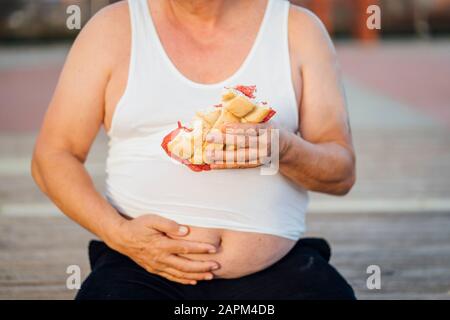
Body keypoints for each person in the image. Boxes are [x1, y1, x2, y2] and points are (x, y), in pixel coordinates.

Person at [31, 0, 356, 299]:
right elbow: (54, 156)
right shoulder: (112, 29)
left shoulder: (297, 29)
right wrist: (119, 233)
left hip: (278, 271)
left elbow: (341, 173)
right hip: (140, 269)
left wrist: (283, 149)